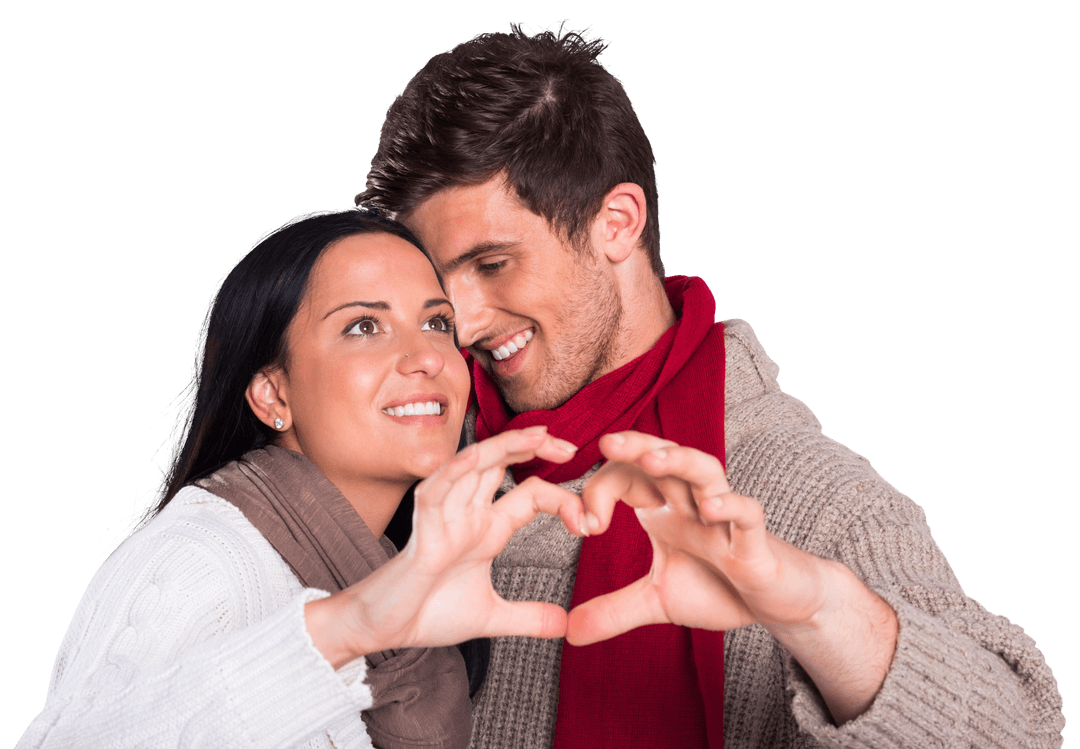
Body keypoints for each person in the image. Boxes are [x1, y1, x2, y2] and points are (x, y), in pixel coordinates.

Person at [358, 23, 1067, 749]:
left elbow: (1018, 737)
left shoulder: (810, 506)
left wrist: (815, 610)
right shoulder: (414, 472)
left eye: (493, 264)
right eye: (442, 283)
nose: (466, 322)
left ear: (617, 223)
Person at [17, 207, 590, 749]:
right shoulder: (200, 562)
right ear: (273, 395)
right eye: (364, 326)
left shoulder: (405, 578)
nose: (428, 356)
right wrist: (347, 628)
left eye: (437, 322)